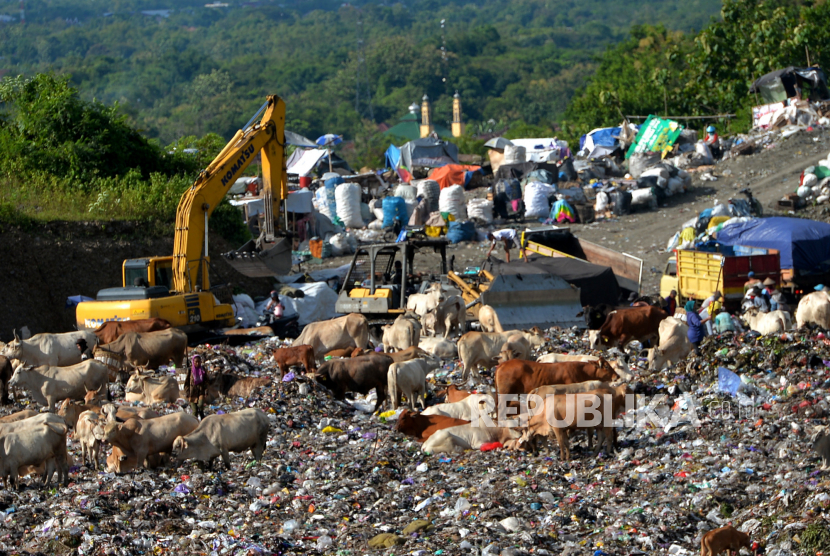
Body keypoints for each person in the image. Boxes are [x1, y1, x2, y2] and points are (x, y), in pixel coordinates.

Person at [189, 354, 207, 420]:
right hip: (192, 393)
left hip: (201, 391)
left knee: (200, 405)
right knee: (194, 411)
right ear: (193, 362)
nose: (197, 363)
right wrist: (187, 392)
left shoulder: (202, 370)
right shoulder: (190, 371)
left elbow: (206, 381)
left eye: (199, 361)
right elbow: (186, 383)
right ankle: (194, 423)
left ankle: (202, 418)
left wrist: (206, 391)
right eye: (196, 362)